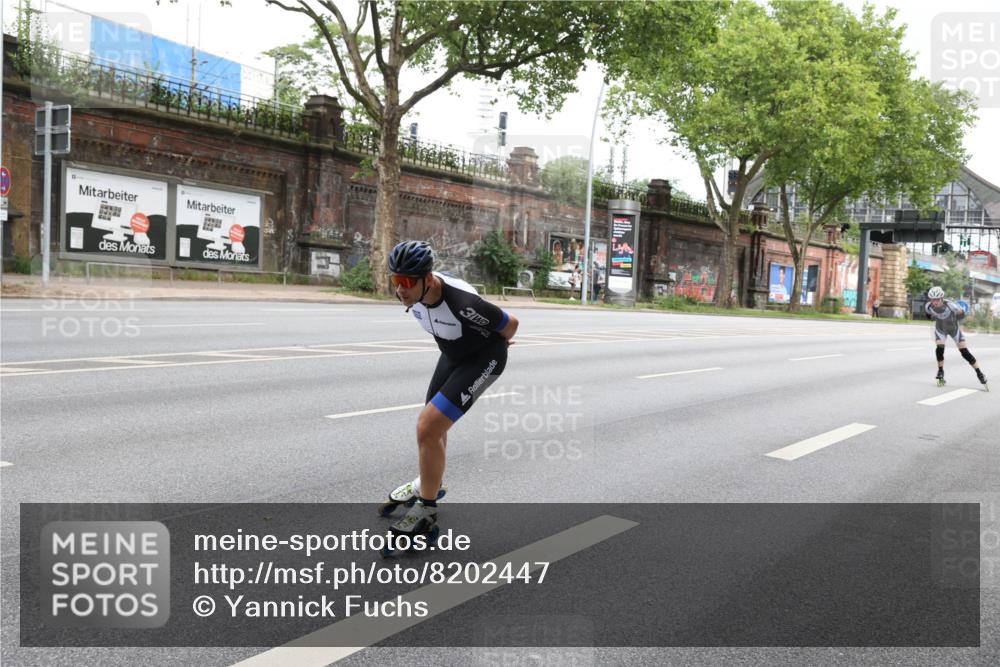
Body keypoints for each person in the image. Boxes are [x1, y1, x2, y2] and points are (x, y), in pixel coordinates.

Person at [380, 240, 519, 539]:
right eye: (395, 280)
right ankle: (429, 482)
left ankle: (426, 510)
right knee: (433, 429)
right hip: (453, 356)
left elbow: (510, 325)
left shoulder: (462, 304)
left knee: (427, 427)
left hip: (484, 359)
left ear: (428, 279)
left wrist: (499, 345)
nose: (400, 289)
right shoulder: (415, 297)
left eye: (406, 282)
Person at [924, 285, 988, 388]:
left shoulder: (951, 305)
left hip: (954, 329)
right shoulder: (928, 306)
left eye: (937, 299)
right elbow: (928, 315)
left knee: (965, 353)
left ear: (942, 298)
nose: (935, 302)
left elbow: (963, 315)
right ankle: (940, 371)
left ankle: (979, 373)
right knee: (939, 349)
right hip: (941, 329)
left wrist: (956, 316)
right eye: (933, 300)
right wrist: (932, 317)